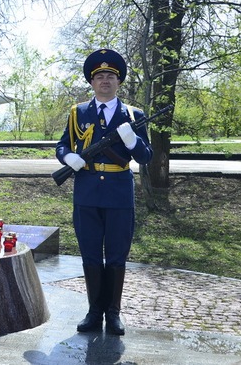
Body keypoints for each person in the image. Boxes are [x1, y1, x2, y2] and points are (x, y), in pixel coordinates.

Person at [55, 48, 153, 335]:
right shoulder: (78, 113)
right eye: (100, 77)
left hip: (118, 194)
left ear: (119, 81)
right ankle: (93, 312)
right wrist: (68, 157)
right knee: (90, 254)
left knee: (116, 256)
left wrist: (132, 141)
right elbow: (62, 145)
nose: (105, 81)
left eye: (111, 76)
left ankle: (113, 313)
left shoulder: (133, 115)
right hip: (86, 193)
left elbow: (146, 157)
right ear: (92, 82)